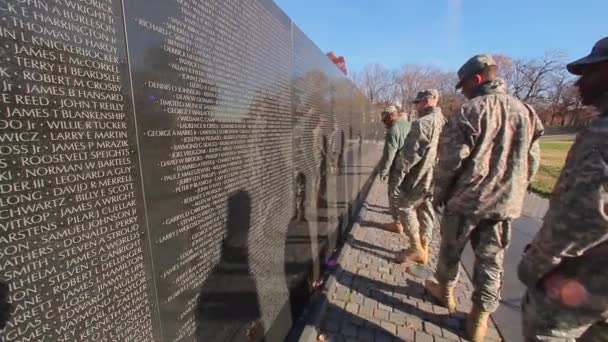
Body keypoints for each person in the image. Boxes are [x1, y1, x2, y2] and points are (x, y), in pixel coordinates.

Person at [425, 54, 544, 341]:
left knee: (450, 252)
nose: (463, 91)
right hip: (504, 205)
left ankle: (445, 292)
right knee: (491, 262)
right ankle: (479, 320)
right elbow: (533, 161)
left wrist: (439, 194)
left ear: (477, 79)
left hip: (466, 201)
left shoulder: (470, 111)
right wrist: (516, 191)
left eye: (464, 85)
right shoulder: (526, 111)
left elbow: (450, 161)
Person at [518, 36, 608, 342]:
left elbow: (578, 223)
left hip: (585, 283)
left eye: (589, 73)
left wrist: (534, 267)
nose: (578, 84)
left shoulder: (602, 136)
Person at [393, 89, 447, 265]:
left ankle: (416, 247)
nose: (415, 106)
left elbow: (409, 155)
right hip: (435, 177)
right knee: (426, 208)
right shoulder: (443, 121)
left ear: (427, 101)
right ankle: (425, 245)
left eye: (418, 103)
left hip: (419, 176)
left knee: (404, 206)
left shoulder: (422, 123)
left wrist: (398, 176)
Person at [378, 105, 411, 233]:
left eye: (385, 118)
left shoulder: (393, 130)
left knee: (394, 194)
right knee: (405, 194)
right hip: (410, 166)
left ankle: (398, 224)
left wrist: (384, 171)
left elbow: (389, 154)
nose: (383, 121)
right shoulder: (408, 125)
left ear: (392, 116)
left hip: (398, 167)